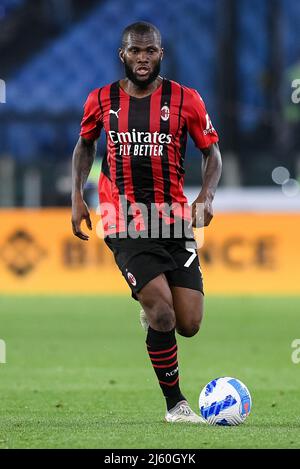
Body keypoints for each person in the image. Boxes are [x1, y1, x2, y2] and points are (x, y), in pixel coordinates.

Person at [71, 21, 222, 423]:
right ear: (123, 55)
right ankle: (176, 405)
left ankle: (154, 311)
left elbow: (213, 153)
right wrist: (76, 197)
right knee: (164, 315)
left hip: (172, 220)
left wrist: (206, 195)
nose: (143, 58)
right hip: (124, 220)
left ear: (161, 54)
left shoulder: (186, 100)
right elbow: (84, 146)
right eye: (135, 51)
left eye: (150, 51)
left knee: (188, 323)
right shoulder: (101, 100)